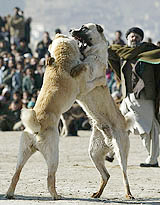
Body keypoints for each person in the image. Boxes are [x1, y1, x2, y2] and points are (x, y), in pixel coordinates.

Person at [108, 27, 160, 167]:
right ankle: (112, 153)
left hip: (144, 96)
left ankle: (153, 159)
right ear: (127, 38)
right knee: (118, 124)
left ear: (141, 38)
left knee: (148, 129)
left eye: (137, 36)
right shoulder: (123, 54)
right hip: (127, 96)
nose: (134, 38)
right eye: (131, 36)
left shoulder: (150, 52)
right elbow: (109, 53)